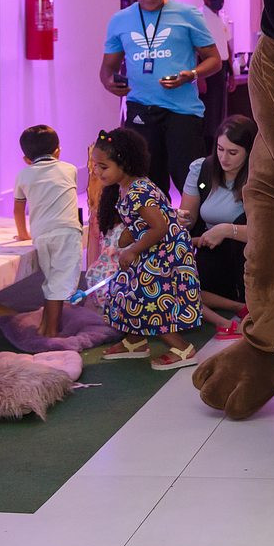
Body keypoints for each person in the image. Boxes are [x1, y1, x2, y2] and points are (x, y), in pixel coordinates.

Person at [99, 0, 223, 198]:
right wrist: (109, 82)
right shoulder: (120, 20)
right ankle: (157, 222)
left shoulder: (187, 14)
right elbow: (107, 69)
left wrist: (191, 74)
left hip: (182, 111)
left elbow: (214, 60)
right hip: (140, 108)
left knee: (189, 179)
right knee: (147, 182)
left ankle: (196, 223)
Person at [94, 127, 202, 370]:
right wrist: (128, 237)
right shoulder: (126, 187)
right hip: (151, 249)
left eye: (103, 166)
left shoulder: (139, 191)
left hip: (164, 254)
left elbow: (159, 227)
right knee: (124, 290)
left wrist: (133, 249)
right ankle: (135, 341)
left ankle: (183, 349)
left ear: (124, 163)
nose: (97, 172)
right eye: (96, 166)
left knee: (147, 298)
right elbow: (141, 222)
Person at [180, 116, 255, 337]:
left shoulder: (259, 178)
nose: (224, 158)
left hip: (244, 258)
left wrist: (225, 230)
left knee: (180, 289)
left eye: (233, 152)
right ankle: (235, 310)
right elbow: (188, 219)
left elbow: (266, 234)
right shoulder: (201, 169)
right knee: (178, 281)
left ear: (250, 152)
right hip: (209, 251)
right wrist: (178, 220)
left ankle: (229, 319)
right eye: (220, 149)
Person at [13, 125, 83, 337]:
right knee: (59, 283)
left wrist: (23, 234)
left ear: (26, 159)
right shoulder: (70, 169)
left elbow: (18, 210)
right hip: (67, 232)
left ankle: (46, 326)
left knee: (53, 280)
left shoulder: (23, 175)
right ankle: (51, 332)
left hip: (41, 234)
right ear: (58, 151)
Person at [197, 0, 235, 153]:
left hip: (222, 69)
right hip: (208, 70)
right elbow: (195, 48)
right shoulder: (200, 17)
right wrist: (200, 77)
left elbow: (226, 46)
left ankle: (217, 148)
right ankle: (206, 152)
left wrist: (231, 74)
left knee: (220, 113)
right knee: (209, 115)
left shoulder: (221, 17)